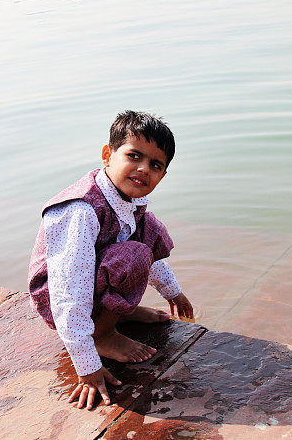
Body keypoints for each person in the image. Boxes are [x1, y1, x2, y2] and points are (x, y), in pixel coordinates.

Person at [28, 110, 194, 411]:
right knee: (132, 255)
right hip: (59, 298)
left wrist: (174, 293)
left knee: (149, 232)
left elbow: (150, 253)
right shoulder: (81, 211)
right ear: (108, 155)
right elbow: (68, 292)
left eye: (155, 165)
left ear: (163, 175)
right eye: (134, 156)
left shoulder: (131, 203)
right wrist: (87, 365)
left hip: (92, 283)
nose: (143, 169)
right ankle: (102, 333)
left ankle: (119, 313)